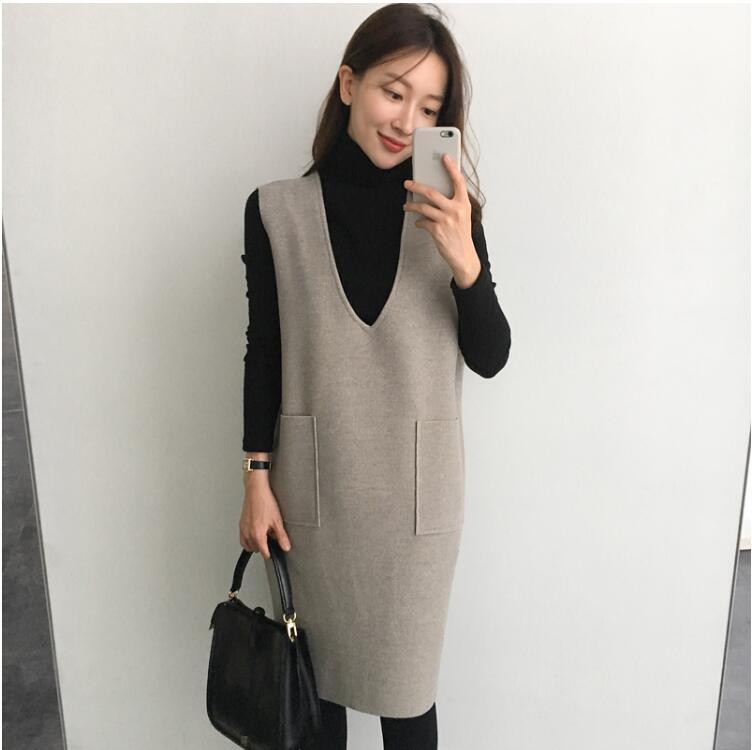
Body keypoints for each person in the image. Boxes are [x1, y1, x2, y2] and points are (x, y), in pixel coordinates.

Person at [239, 4, 511, 748]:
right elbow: (265, 350)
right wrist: (255, 477)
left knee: (408, 706)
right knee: (312, 707)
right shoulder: (276, 212)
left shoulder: (452, 214)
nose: (406, 121)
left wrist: (466, 264)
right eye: (395, 92)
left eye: (430, 108)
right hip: (309, 499)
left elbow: (490, 355)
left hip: (419, 510)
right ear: (349, 83)